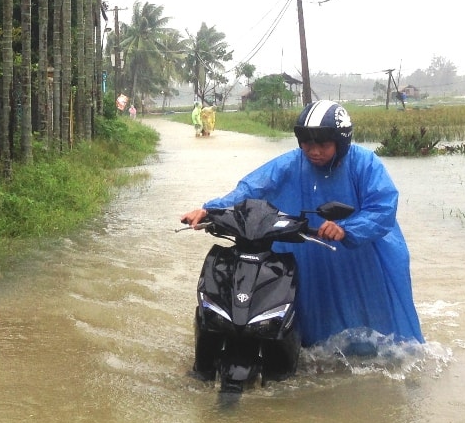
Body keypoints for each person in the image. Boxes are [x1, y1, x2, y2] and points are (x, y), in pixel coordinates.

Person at [179, 101, 424, 348]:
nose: (314, 151)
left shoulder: (365, 164)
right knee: (311, 325)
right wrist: (210, 209)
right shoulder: (291, 163)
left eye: (323, 144)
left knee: (375, 328)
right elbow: (252, 188)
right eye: (307, 143)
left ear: (341, 143)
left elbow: (383, 208)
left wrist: (347, 228)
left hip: (360, 256)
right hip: (308, 251)